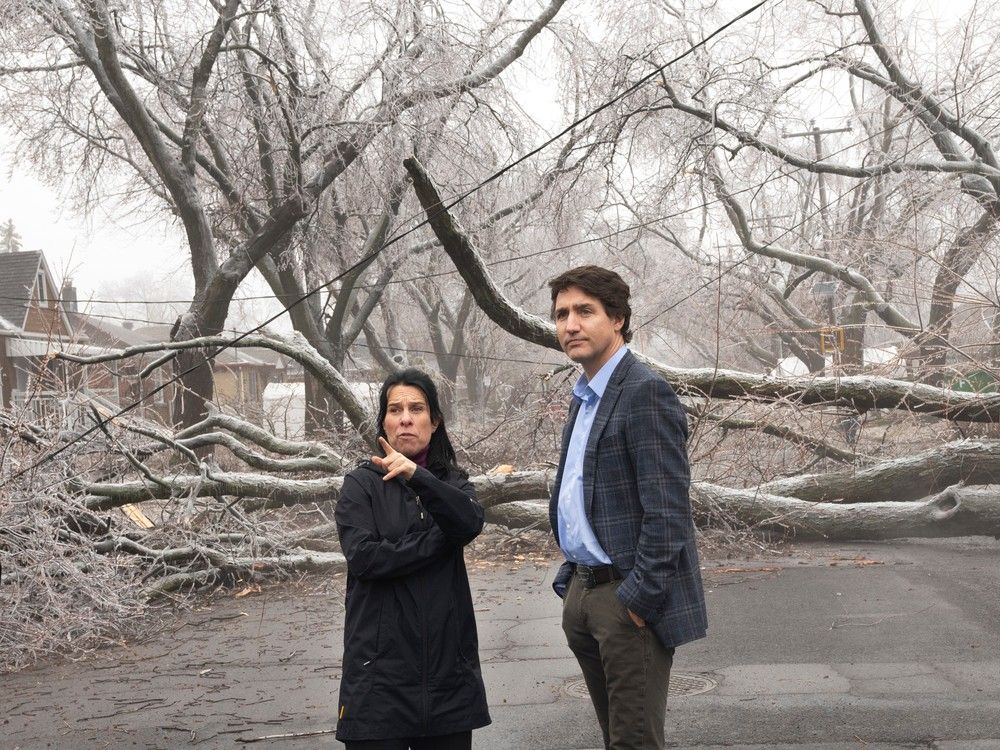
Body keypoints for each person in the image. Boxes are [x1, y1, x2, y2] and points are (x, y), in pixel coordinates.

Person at [547, 266, 707, 750]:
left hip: (626, 599)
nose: (570, 324)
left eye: (584, 311)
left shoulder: (643, 392)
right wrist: (572, 579)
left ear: (617, 318)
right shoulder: (585, 396)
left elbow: (669, 511)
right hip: (584, 588)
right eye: (561, 314)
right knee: (614, 738)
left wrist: (639, 600)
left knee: (633, 743)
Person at [334, 369, 491, 750]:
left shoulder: (452, 483)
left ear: (434, 421)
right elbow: (366, 559)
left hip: (447, 676)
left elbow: (469, 521)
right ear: (384, 422)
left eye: (417, 408)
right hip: (377, 680)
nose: (405, 417)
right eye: (395, 409)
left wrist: (418, 477)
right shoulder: (360, 485)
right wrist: (439, 541)